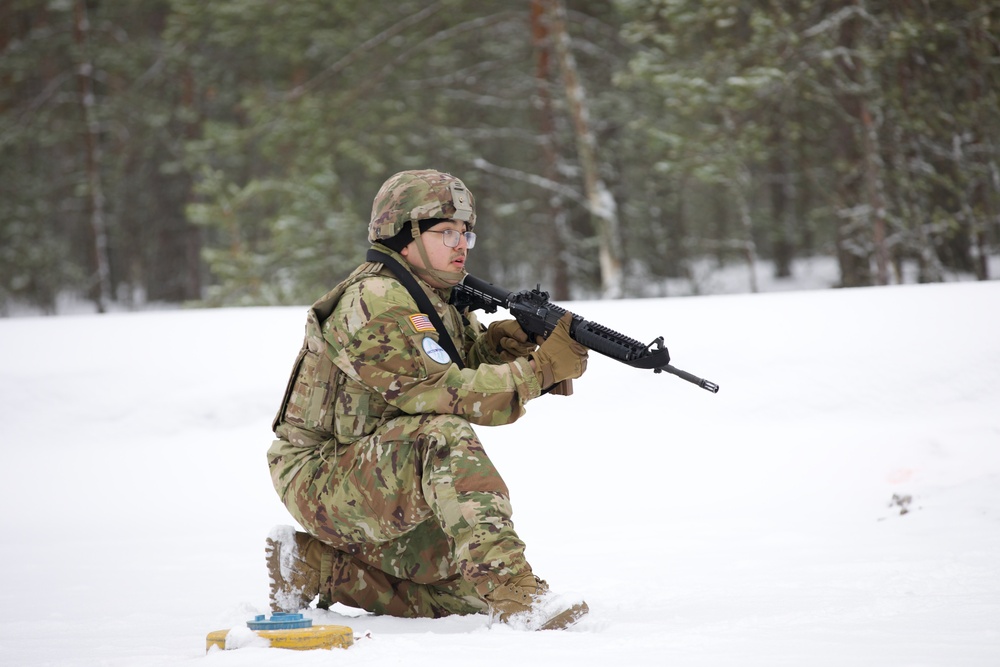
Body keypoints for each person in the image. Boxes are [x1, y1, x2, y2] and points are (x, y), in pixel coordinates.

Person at [265, 169, 589, 630]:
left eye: (466, 233)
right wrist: (541, 370)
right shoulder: (377, 299)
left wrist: (503, 345)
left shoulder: (432, 295)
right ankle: (516, 593)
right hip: (320, 473)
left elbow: (450, 367)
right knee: (443, 437)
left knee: (460, 589)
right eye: (446, 232)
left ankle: (319, 569)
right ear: (402, 236)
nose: (461, 244)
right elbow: (446, 394)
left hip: (374, 463)